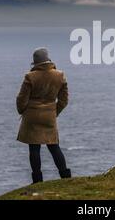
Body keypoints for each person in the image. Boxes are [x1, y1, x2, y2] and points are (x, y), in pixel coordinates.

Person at [16, 47, 71, 183]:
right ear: (48, 60)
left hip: (32, 116)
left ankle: (37, 180)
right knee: (54, 146)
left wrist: (22, 111)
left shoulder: (30, 77)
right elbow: (64, 100)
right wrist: (54, 112)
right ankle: (65, 176)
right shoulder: (60, 75)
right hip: (49, 116)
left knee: (34, 148)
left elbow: (21, 99)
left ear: (35, 63)